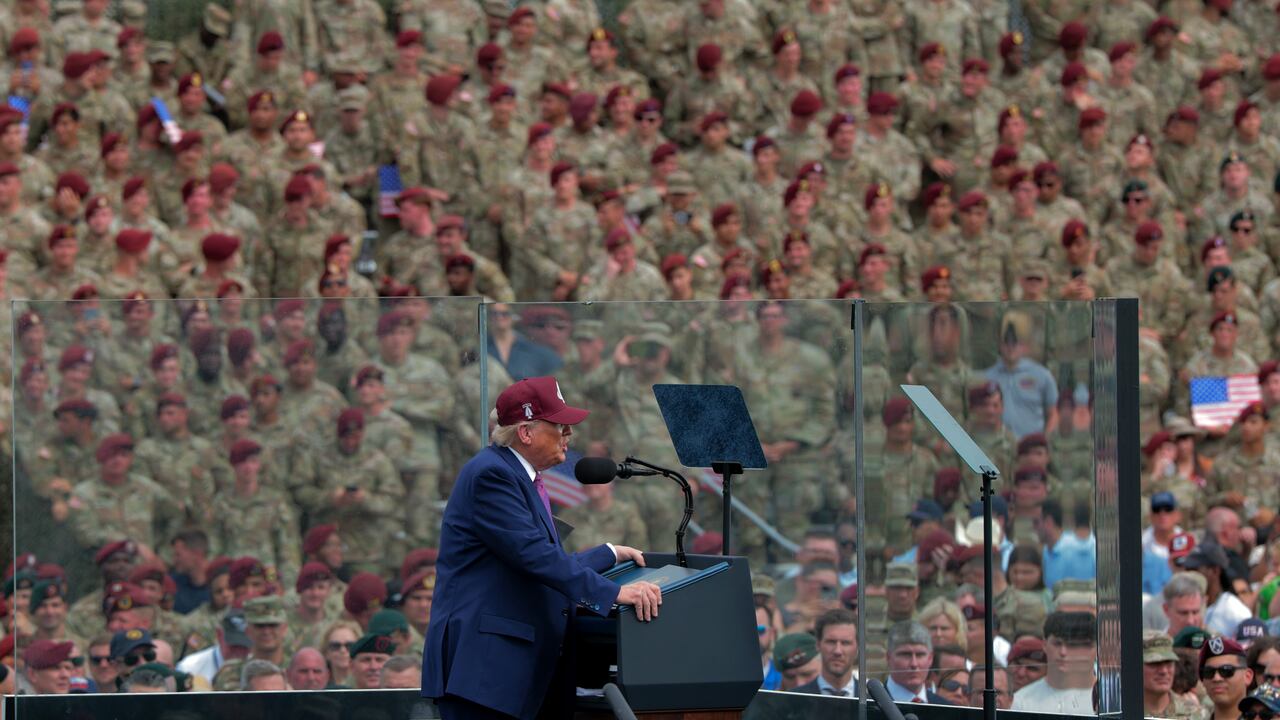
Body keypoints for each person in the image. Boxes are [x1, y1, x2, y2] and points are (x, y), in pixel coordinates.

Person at [422, 376, 661, 719]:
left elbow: (529, 560)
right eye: (560, 426)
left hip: (507, 678)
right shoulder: (492, 474)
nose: (569, 434)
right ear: (526, 432)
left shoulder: (518, 475)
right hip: (485, 674)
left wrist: (607, 553)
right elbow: (532, 555)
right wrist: (614, 593)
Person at [1011, 611, 1096, 713]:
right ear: (1044, 645)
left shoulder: (1109, 700)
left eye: (1073, 645)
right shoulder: (1022, 702)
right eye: (1057, 643)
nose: (1063, 652)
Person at [792, 608, 858, 696]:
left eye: (845, 643)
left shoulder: (872, 699)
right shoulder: (795, 698)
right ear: (818, 644)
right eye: (831, 642)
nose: (837, 651)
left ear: (858, 647)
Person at [885, 621, 949, 704]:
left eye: (920, 655)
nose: (914, 664)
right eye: (906, 654)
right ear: (888, 658)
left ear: (930, 658)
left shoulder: (946, 708)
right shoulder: (869, 705)